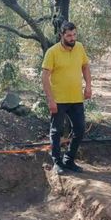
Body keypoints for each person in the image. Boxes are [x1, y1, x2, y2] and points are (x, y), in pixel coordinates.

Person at [42, 21, 92, 175]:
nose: (72, 38)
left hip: (76, 98)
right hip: (59, 100)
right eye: (69, 35)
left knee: (80, 129)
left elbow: (85, 66)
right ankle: (57, 162)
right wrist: (50, 99)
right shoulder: (52, 52)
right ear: (61, 35)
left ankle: (69, 160)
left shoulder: (80, 47)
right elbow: (44, 76)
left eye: (74, 34)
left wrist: (88, 85)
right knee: (56, 131)